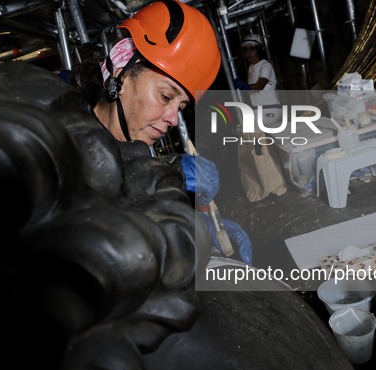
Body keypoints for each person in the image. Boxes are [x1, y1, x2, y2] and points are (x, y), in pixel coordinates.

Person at [69, 0, 252, 265]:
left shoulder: (135, 148)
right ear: (120, 77)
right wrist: (168, 175)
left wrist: (188, 219)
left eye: (181, 106)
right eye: (166, 95)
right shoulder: (62, 137)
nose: (172, 119)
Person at [234, 33, 282, 125]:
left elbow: (260, 85)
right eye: (246, 49)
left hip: (270, 108)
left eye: (252, 49)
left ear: (259, 50)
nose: (249, 53)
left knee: (266, 137)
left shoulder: (265, 66)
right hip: (259, 109)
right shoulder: (251, 67)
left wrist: (243, 86)